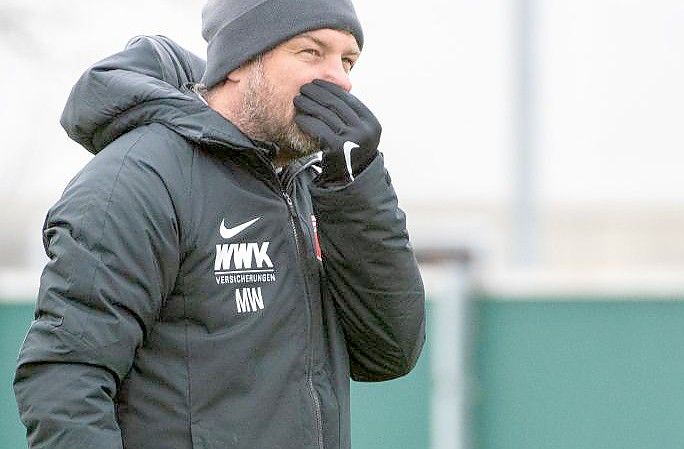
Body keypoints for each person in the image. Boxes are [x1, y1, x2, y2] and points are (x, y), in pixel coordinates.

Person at [13, 1, 426, 448]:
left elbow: (389, 352)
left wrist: (356, 185)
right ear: (237, 64)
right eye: (311, 52)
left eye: (347, 60)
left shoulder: (317, 186)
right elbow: (65, 379)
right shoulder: (139, 179)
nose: (340, 79)